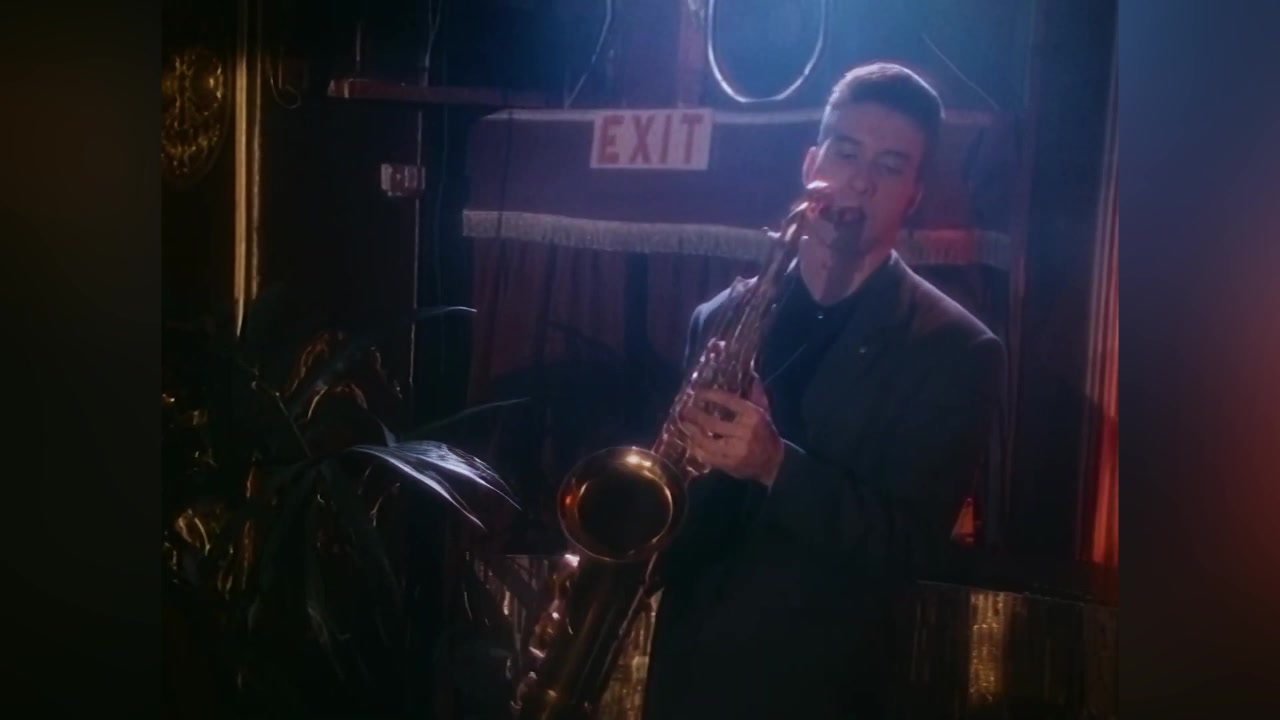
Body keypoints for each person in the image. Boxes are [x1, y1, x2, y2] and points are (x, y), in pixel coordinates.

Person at [640, 62, 1006, 719]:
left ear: (914, 195)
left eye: (890, 167)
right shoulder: (720, 316)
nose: (860, 181)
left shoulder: (957, 349)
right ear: (811, 165)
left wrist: (774, 465)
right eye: (846, 152)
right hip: (688, 676)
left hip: (819, 688)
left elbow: (909, 549)